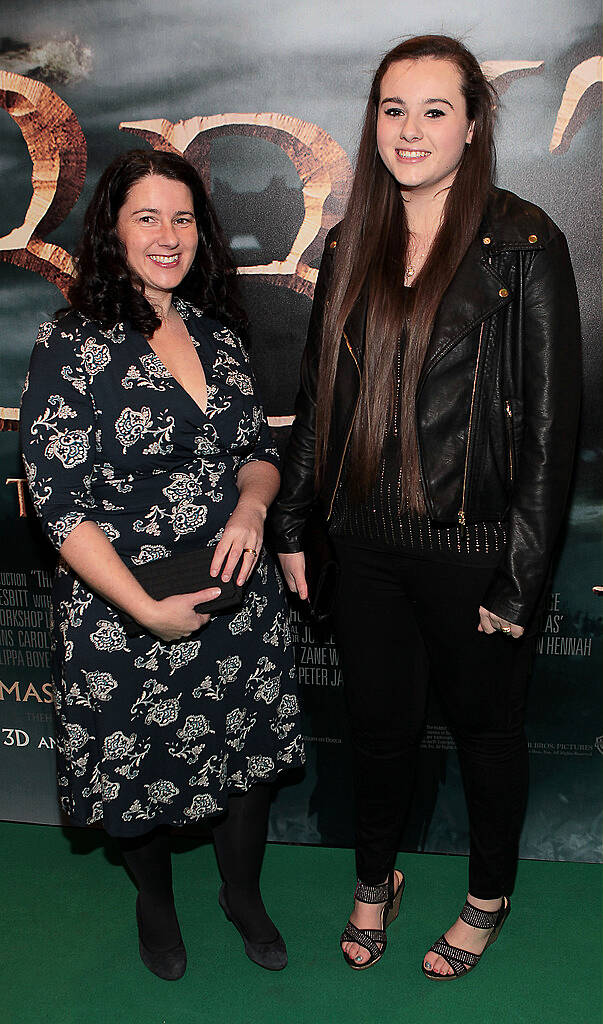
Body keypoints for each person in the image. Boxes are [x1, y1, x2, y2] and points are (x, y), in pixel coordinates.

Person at [272, 35, 580, 978]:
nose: (409, 130)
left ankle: (486, 896)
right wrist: (292, 521)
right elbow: (321, 397)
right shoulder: (348, 241)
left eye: (434, 109)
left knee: (486, 735)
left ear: (474, 123)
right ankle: (376, 880)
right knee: (377, 730)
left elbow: (550, 431)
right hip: (362, 544)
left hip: (474, 548)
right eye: (392, 109)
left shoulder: (526, 243)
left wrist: (519, 577)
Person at [20, 149, 304, 979]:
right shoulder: (70, 342)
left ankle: (241, 895)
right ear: (112, 229)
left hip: (236, 602)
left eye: (182, 218)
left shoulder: (215, 331)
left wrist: (254, 503)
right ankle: (155, 903)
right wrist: (144, 613)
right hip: (124, 612)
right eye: (146, 216)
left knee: (245, 760)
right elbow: (58, 504)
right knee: (135, 780)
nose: (168, 235)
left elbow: (256, 450)